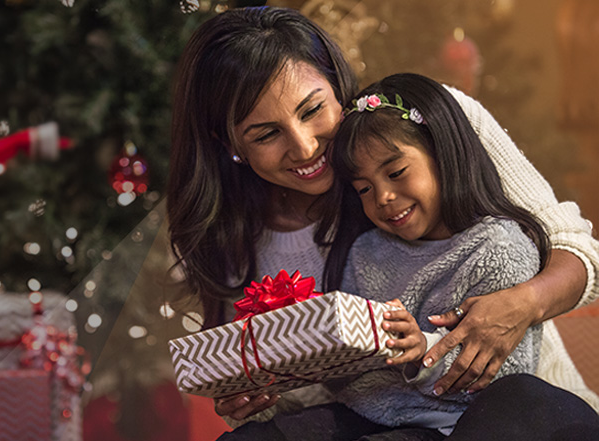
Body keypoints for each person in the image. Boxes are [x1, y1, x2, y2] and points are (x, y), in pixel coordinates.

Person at [163, 5, 599, 435]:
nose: (305, 147)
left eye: (313, 110)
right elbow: (316, 402)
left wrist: (524, 302)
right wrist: (255, 398)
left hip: (526, 412)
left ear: (337, 86)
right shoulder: (240, 240)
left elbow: (576, 248)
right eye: (266, 134)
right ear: (230, 144)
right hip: (383, 421)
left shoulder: (434, 125)